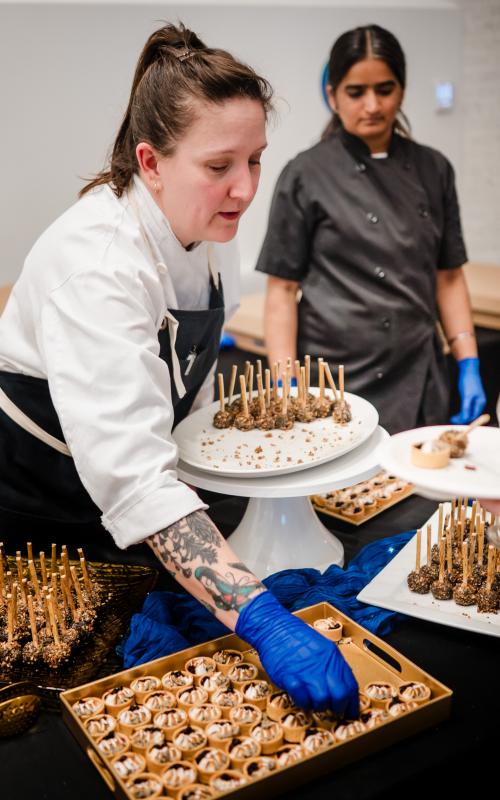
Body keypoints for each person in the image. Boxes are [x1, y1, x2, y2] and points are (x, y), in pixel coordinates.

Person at [0, 23, 358, 714]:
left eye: (255, 160)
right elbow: (135, 480)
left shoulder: (199, 227)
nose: (245, 189)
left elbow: (179, 388)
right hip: (41, 517)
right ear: (151, 162)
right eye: (220, 166)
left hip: (130, 505)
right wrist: (263, 621)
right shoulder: (99, 266)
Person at [256, 24, 486, 434]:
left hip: (418, 376)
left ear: (402, 90)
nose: (373, 105)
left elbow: (449, 277)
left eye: (385, 89)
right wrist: (285, 383)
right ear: (333, 96)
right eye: (356, 92)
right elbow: (282, 292)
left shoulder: (434, 169)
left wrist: (467, 360)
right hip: (333, 380)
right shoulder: (305, 174)